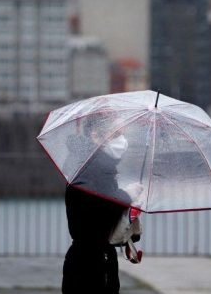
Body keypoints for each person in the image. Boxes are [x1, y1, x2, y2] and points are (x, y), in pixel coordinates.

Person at [62, 126, 141, 294]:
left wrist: (129, 220)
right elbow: (92, 219)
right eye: (117, 134)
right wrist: (125, 196)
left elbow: (105, 220)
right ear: (96, 135)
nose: (122, 140)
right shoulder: (85, 168)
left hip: (100, 263)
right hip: (86, 269)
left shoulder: (101, 167)